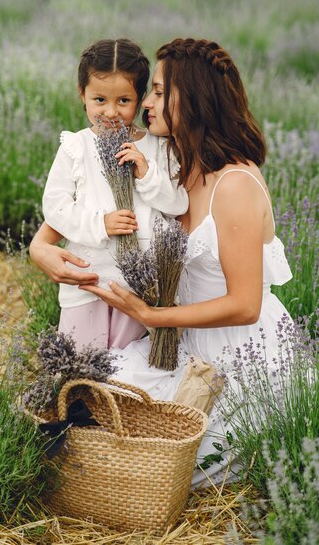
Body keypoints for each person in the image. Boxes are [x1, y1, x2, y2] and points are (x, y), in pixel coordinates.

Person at [30, 37, 292, 486]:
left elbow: (246, 304)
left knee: (155, 463)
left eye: (155, 91)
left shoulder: (235, 184)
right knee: (91, 406)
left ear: (192, 100)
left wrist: (152, 314)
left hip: (234, 351)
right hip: (175, 341)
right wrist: (38, 246)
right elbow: (77, 203)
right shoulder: (176, 163)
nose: (145, 104)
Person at [42, 38, 188, 351]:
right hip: (87, 279)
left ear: (140, 99)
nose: (110, 111)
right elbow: (55, 207)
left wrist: (146, 172)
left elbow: (178, 203)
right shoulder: (75, 147)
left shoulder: (157, 148)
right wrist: (100, 224)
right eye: (99, 100)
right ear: (82, 94)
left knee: (127, 365)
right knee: (80, 363)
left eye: (124, 101)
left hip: (139, 284)